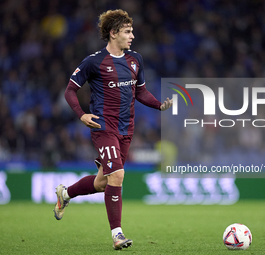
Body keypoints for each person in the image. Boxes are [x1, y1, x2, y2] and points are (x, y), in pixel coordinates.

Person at [53, 9, 172, 250]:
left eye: (132, 31)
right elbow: (69, 90)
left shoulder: (135, 59)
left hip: (126, 129)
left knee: (103, 183)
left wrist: (159, 105)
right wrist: (82, 114)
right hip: (103, 127)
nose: (132, 36)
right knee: (117, 176)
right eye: (128, 31)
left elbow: (140, 91)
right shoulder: (93, 61)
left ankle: (65, 194)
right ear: (113, 32)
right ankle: (117, 235)